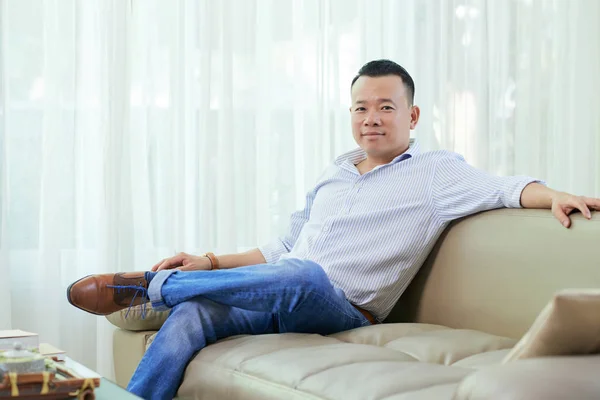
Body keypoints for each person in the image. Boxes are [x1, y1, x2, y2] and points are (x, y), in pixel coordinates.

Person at [67, 59, 600, 400]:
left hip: (340, 304)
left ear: (411, 117)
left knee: (304, 274)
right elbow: (280, 247)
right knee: (193, 315)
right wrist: (206, 261)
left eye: (386, 107)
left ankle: (142, 288)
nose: (372, 117)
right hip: (284, 285)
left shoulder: (438, 174)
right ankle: (157, 324)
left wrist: (556, 196)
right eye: (361, 107)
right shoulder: (335, 171)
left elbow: (506, 188)